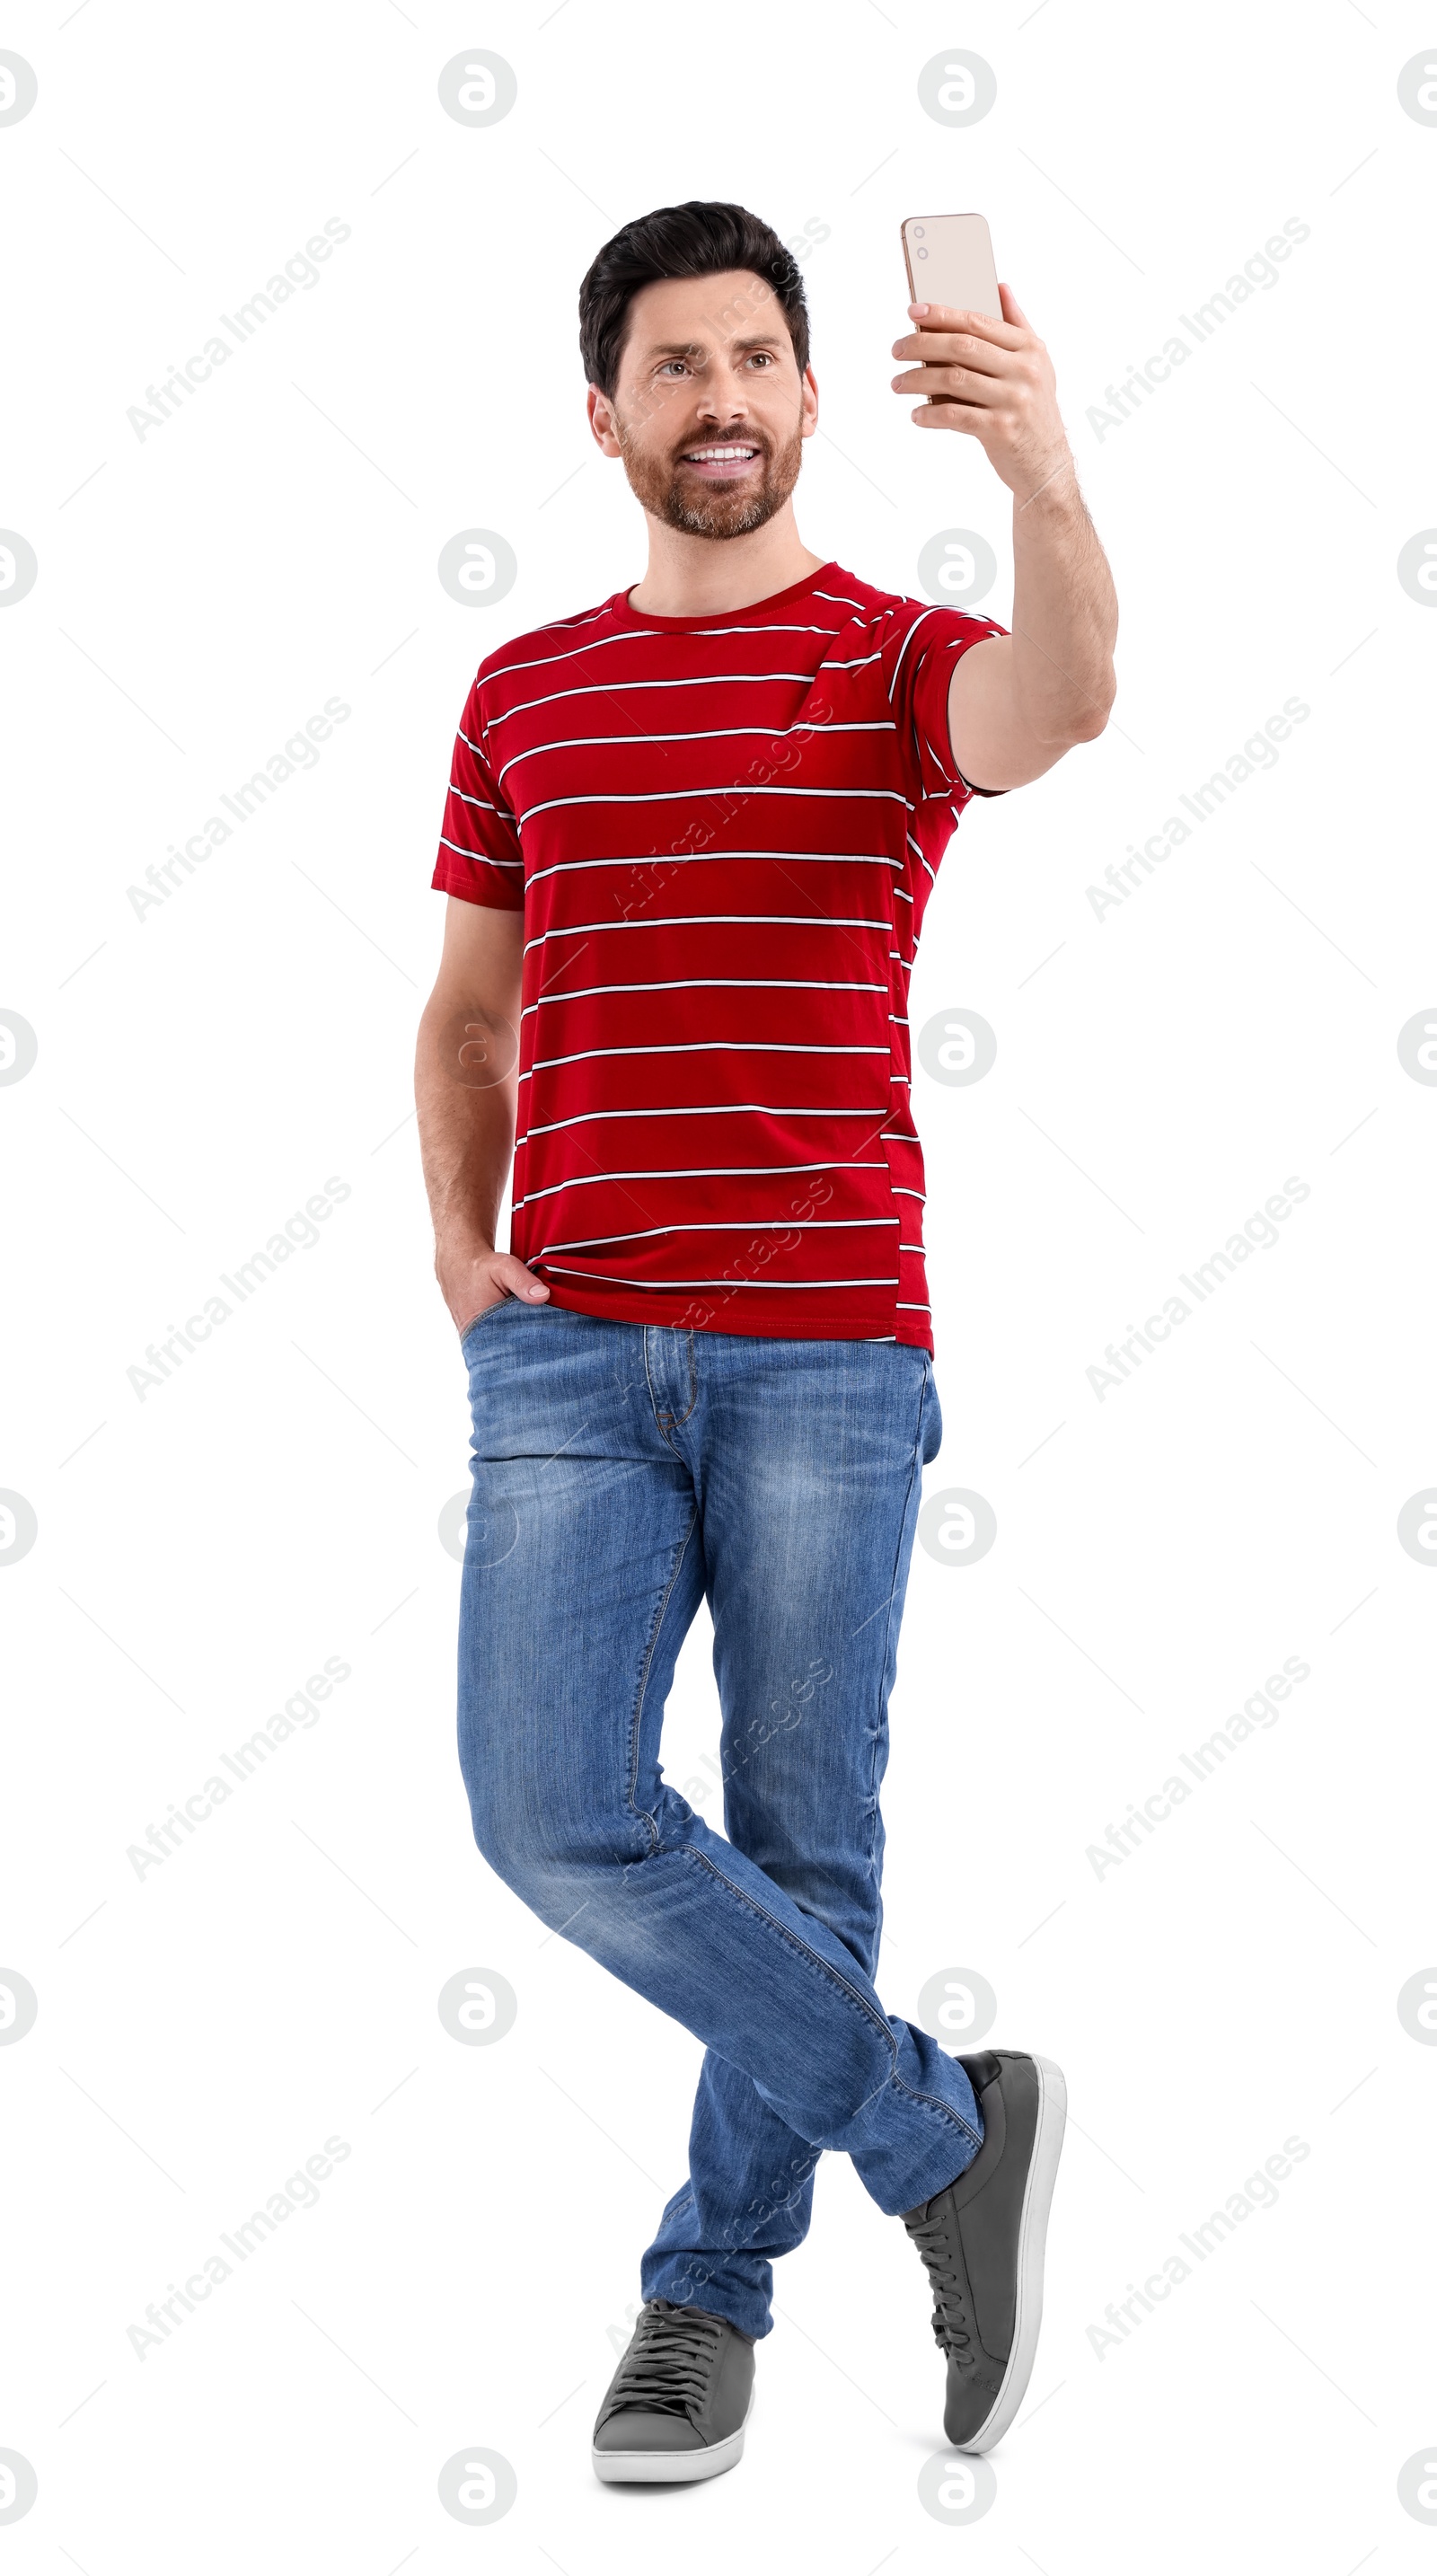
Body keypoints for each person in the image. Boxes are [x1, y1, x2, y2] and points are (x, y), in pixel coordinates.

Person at [414, 199, 1117, 2484]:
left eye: (752, 360)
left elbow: (1066, 701)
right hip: (568, 1350)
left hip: (825, 1343)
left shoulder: (906, 658)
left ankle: (698, 2300)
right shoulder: (521, 691)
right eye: (669, 366)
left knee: (803, 1851)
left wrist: (1042, 476)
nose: (714, 400)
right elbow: (465, 1007)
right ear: (603, 412)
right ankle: (942, 2135)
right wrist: (456, 1240)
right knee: (556, 1813)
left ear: (811, 396)